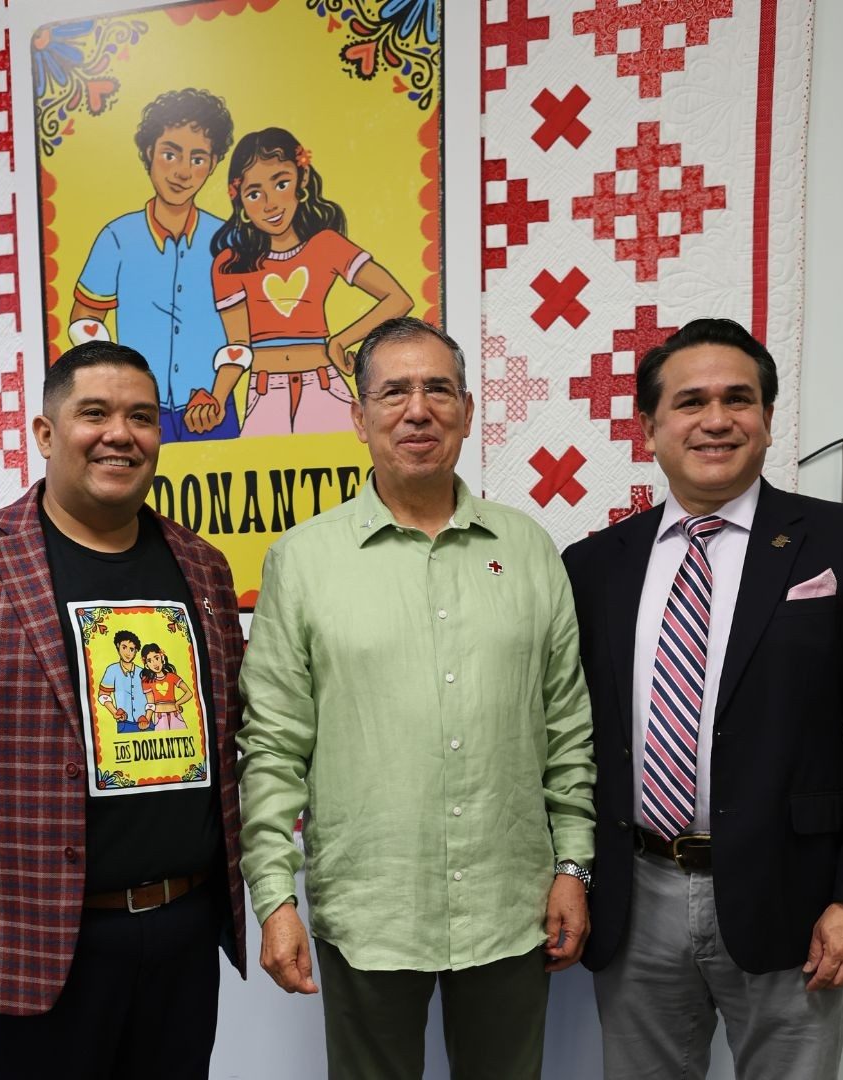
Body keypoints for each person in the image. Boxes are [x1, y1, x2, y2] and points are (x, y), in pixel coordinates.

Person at [0, 341, 247, 1078]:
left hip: (184, 930)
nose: (119, 434)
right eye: (93, 413)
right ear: (45, 434)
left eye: (140, 416)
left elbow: (231, 725)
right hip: (28, 938)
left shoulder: (201, 566)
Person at [237, 316, 596, 1078]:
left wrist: (575, 867)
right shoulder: (302, 562)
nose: (418, 409)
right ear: (359, 417)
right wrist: (273, 897)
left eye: (439, 389)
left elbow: (567, 728)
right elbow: (271, 745)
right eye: (393, 391)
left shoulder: (527, 550)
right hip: (371, 909)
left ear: (466, 411)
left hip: (511, 906)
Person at [562, 318, 843, 1080]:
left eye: (738, 399)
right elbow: (573, 736)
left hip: (797, 899)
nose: (716, 420)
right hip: (635, 892)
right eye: (690, 402)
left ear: (769, 420)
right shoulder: (594, 565)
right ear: (649, 427)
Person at [183, 127, 412, 438]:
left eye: (281, 183)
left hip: (324, 384)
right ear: (240, 201)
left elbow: (397, 298)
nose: (270, 204)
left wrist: (341, 340)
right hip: (264, 391)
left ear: (302, 179)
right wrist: (218, 399)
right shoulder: (230, 263)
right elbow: (238, 345)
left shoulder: (327, 245)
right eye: (254, 193)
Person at [72, 88, 238, 443]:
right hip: (135, 417)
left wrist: (218, 396)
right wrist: (116, 392)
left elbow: (240, 337)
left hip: (211, 412)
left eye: (198, 159)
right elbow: (85, 321)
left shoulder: (227, 240)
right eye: (170, 154)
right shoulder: (116, 237)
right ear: (149, 152)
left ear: (213, 163)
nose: (182, 171)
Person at [98, 629, 145, 731]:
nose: (128, 653)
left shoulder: (143, 672)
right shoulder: (112, 670)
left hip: (146, 722)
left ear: (136, 651)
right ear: (118, 646)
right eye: (124, 647)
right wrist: (114, 712)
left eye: (132, 649)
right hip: (124, 723)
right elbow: (103, 695)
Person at [140, 642, 194, 731]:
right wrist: (147, 720)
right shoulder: (146, 681)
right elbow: (150, 703)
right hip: (159, 717)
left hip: (176, 715)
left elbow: (189, 693)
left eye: (156, 658)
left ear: (162, 657)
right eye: (149, 661)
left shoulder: (171, 676)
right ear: (146, 664)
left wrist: (178, 703)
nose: (154, 663)